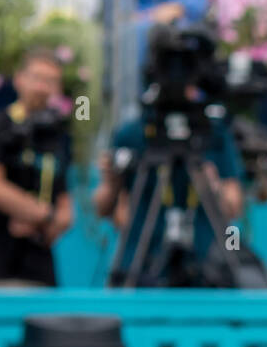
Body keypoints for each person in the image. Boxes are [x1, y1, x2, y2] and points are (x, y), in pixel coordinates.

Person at [93, 85, 244, 286]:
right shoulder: (133, 133)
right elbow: (103, 208)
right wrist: (111, 181)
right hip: (140, 266)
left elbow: (234, 207)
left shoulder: (214, 134)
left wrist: (214, 186)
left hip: (206, 269)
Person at [0, 48, 74, 286]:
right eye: (38, 78)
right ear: (19, 79)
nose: (43, 87)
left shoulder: (58, 135)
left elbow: (66, 210)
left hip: (42, 268)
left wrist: (43, 221)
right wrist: (43, 214)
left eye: (51, 81)